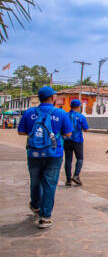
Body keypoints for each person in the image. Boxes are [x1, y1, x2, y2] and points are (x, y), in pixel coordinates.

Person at [17, 86, 73, 229]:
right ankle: (45, 216)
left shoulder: (29, 113)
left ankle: (35, 206)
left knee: (35, 181)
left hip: (34, 153)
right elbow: (68, 134)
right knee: (49, 184)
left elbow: (21, 132)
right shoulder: (61, 113)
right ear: (53, 98)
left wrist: (36, 136)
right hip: (54, 154)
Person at [64, 99, 89, 186]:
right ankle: (76, 175)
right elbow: (86, 129)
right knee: (80, 158)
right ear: (78, 107)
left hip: (67, 140)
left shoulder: (65, 115)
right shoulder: (81, 117)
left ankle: (68, 180)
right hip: (77, 140)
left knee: (68, 160)